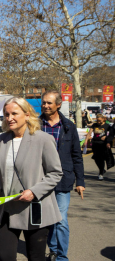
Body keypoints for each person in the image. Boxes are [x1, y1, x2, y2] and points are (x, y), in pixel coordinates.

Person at [0, 97, 63, 261]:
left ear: (27, 115)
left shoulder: (42, 139)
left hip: (34, 208)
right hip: (7, 208)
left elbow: (55, 173)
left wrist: (34, 192)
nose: (10, 118)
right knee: (5, 257)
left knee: (35, 257)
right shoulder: (1, 140)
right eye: (6, 114)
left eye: (14, 113)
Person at [40, 91, 85, 261]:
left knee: (61, 219)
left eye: (49, 103)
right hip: (41, 179)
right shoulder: (35, 125)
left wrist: (80, 181)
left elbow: (76, 155)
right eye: (44, 102)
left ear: (58, 104)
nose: (45, 106)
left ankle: (61, 257)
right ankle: (52, 248)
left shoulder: (68, 126)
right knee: (47, 219)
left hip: (63, 179)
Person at [84, 114, 114, 180]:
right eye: (97, 120)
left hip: (103, 145)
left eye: (100, 120)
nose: (98, 122)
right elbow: (89, 133)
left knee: (101, 159)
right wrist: (85, 141)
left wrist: (106, 137)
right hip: (95, 144)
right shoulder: (94, 125)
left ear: (103, 119)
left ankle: (101, 173)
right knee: (96, 159)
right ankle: (102, 169)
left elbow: (111, 134)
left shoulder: (107, 126)